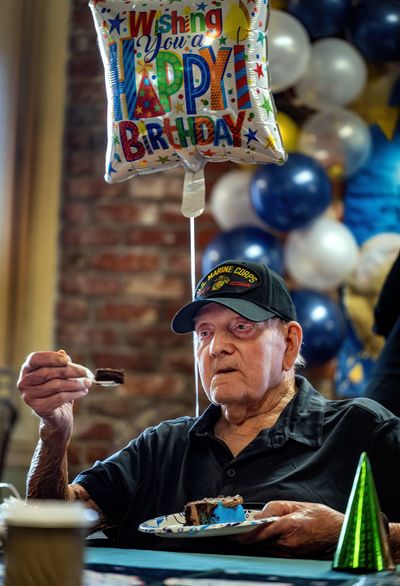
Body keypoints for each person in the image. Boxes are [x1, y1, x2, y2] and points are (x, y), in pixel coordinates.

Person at [17, 260, 400, 560]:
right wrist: (54, 432)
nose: (216, 347)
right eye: (204, 332)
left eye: (240, 327)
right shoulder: (162, 446)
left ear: (289, 343)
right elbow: (48, 528)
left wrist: (350, 532)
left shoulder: (360, 430)